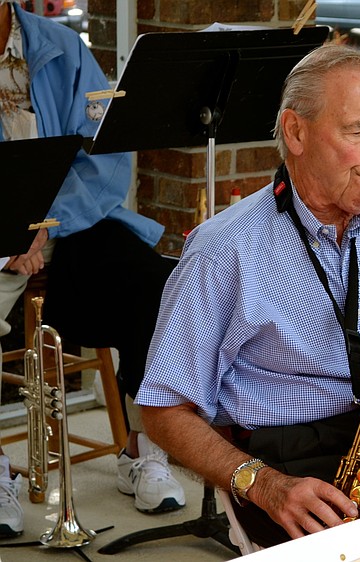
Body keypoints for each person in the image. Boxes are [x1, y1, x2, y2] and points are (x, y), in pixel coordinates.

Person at [137, 43, 360, 548]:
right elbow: (163, 411)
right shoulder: (224, 248)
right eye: (358, 132)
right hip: (291, 466)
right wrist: (266, 486)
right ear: (296, 132)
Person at [0, 0, 185, 537]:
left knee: (153, 287)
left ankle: (142, 450)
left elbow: (108, 154)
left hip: (65, 224)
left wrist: (44, 222)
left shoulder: (60, 47)